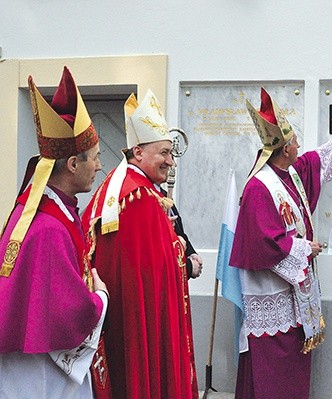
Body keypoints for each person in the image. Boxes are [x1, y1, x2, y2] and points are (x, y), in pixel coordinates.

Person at [230, 87, 332, 399]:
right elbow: (262, 243)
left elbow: (316, 161)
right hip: (272, 294)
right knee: (272, 374)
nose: (298, 145)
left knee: (292, 373)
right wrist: (306, 248)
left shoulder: (290, 174)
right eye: (294, 141)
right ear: (284, 150)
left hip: (295, 297)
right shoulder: (259, 187)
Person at [81, 90, 199, 398]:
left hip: (117, 320)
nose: (170, 162)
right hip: (136, 327)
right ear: (138, 152)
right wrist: (185, 260)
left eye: (171, 153)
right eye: (164, 153)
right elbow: (153, 272)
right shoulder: (138, 199)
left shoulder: (119, 188)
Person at [0, 66, 109, 398]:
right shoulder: (48, 228)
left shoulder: (42, 213)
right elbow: (67, 312)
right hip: (41, 373)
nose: (100, 166)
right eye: (95, 158)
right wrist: (101, 298)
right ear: (73, 164)